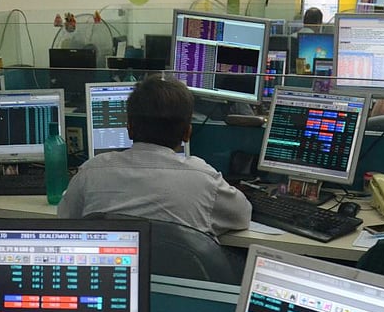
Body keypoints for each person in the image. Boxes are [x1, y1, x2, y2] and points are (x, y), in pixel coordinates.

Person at [57, 75, 252, 240]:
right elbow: (242, 216)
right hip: (179, 282)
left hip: (115, 282)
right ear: (187, 133)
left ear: (129, 129)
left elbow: (64, 220)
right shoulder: (204, 179)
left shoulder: (91, 172)